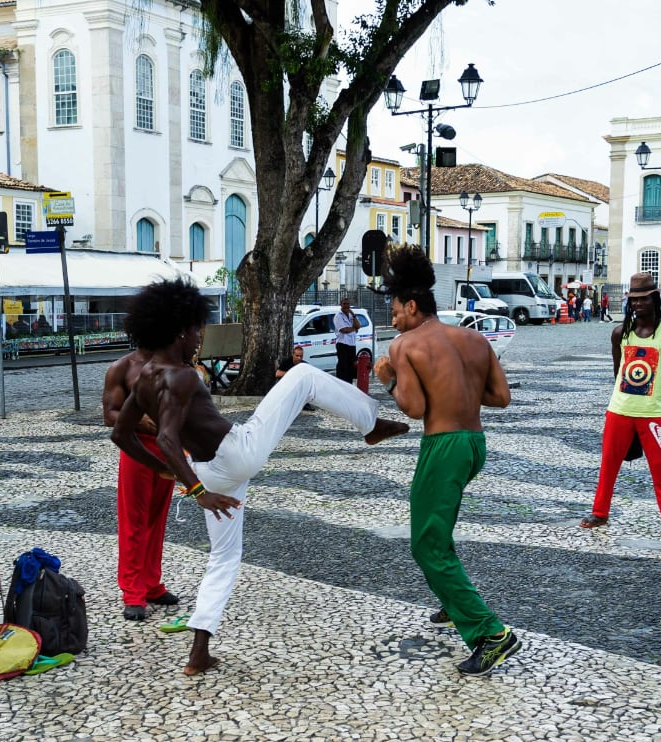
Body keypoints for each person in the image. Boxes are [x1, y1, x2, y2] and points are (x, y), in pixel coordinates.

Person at [110, 278, 408, 676]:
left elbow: (120, 433)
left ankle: (199, 650)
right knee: (301, 377)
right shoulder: (181, 376)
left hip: (212, 471)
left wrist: (169, 471)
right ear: (180, 330)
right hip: (235, 454)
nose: (200, 337)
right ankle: (369, 422)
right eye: (198, 329)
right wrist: (196, 492)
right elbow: (164, 436)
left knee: (224, 557)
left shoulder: (146, 376)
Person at [371, 245, 520, 677]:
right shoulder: (474, 339)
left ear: (412, 306)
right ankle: (452, 603)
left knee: (426, 543)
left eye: (395, 310)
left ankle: (490, 634)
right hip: (475, 444)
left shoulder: (405, 345)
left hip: (444, 446)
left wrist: (389, 380)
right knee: (440, 529)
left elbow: (414, 409)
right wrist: (458, 390)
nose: (393, 318)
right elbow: (501, 398)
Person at [581, 272, 661, 538]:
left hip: (653, 412)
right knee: (609, 464)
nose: (638, 304)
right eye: (633, 300)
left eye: (643, 299)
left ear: (654, 299)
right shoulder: (620, 333)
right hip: (619, 409)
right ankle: (600, 512)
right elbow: (618, 370)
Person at [103, 348, 178, 622]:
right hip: (135, 449)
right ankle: (133, 592)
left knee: (157, 520)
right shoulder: (121, 367)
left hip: (166, 448)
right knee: (133, 520)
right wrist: (136, 420)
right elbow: (109, 414)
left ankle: (151, 583)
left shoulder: (173, 361)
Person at [333, 297, 360, 383]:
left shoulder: (351, 315)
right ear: (341, 305)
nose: (346, 306)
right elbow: (343, 330)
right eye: (344, 304)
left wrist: (354, 315)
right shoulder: (338, 316)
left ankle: (349, 383)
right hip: (342, 344)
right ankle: (341, 383)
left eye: (348, 304)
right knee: (343, 366)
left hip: (351, 344)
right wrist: (353, 328)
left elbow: (358, 326)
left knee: (351, 366)